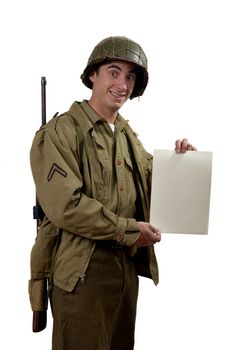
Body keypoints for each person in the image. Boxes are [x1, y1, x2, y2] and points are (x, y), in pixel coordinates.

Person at [29, 36, 196, 350]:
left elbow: (150, 183)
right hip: (82, 276)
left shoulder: (126, 134)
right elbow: (66, 206)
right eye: (114, 72)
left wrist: (181, 164)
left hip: (124, 273)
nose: (123, 84)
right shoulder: (60, 133)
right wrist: (129, 230)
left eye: (131, 76)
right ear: (93, 74)